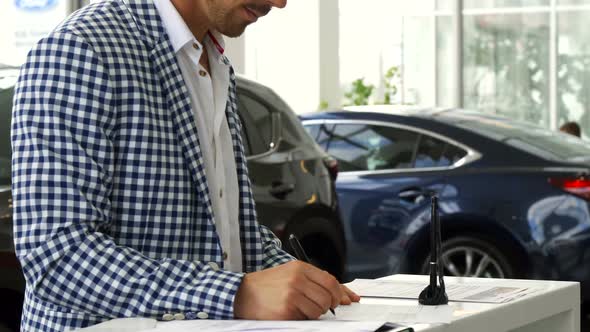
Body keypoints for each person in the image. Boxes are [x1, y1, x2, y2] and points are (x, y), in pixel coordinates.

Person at [11, 1, 359, 331]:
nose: (280, 3)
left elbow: (226, 239)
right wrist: (236, 293)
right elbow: (57, 257)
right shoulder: (80, 49)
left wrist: (295, 278)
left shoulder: (214, 61)